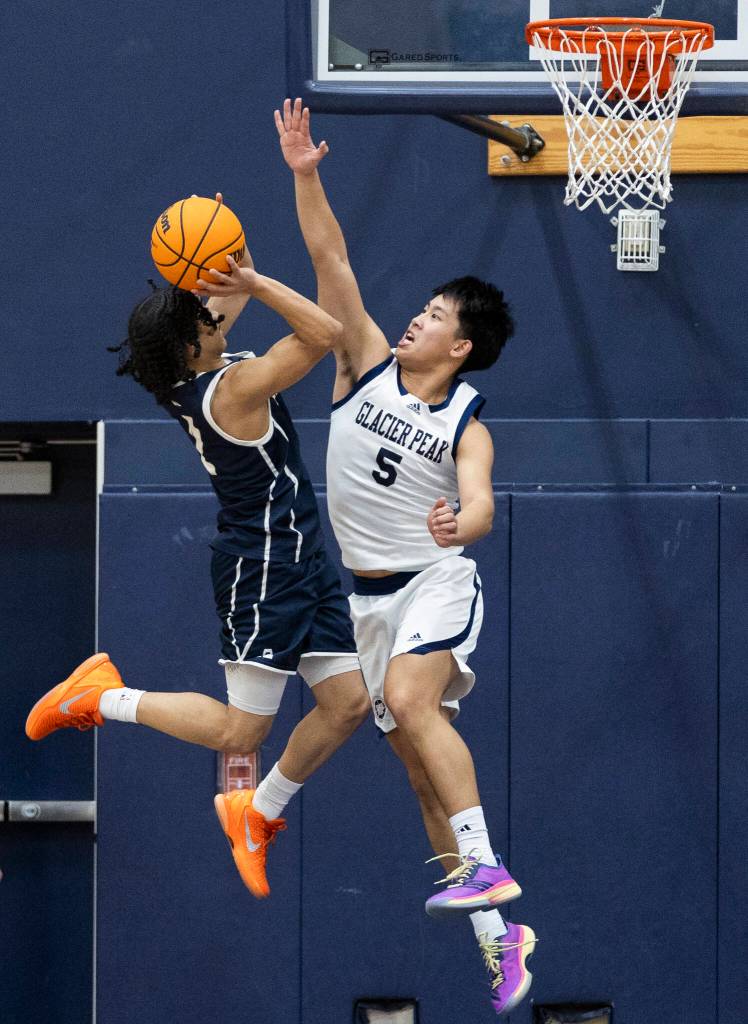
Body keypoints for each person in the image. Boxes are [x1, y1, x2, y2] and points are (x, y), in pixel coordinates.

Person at [274, 98, 535, 1016]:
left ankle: (489, 865)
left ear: (461, 347)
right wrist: (307, 173)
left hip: (435, 581)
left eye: (433, 316)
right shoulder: (365, 364)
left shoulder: (464, 418)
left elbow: (482, 502)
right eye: (419, 309)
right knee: (423, 772)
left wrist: (456, 527)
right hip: (370, 602)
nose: (416, 320)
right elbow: (331, 261)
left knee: (421, 705)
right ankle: (502, 943)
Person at [25, 215, 370, 899]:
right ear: (193, 344)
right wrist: (256, 278)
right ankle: (104, 696)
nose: (217, 316)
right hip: (265, 568)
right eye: (205, 318)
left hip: (302, 559)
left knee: (348, 702)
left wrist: (227, 246)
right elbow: (328, 336)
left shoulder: (195, 365)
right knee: (242, 730)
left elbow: (227, 296)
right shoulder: (232, 390)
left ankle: (256, 812)